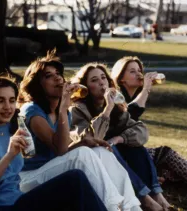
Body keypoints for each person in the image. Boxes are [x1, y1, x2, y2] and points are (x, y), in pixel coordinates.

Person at [0, 76, 107, 211]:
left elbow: (57, 149)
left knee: (75, 180)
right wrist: (9, 155)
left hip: (17, 199)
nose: (8, 107)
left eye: (12, 100)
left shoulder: (13, 125)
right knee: (75, 180)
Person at [18, 50, 141, 211]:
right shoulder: (32, 111)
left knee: (100, 151)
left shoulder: (62, 112)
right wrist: (64, 108)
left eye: (58, 74)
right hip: (29, 177)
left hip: (52, 168)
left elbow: (64, 151)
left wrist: (83, 142)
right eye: (48, 76)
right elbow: (60, 149)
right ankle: (113, 207)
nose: (57, 78)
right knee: (83, 154)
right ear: (37, 85)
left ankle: (132, 208)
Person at [70, 62, 169, 211]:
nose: (101, 82)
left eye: (103, 78)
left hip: (117, 154)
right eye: (94, 80)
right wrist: (107, 109)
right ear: (85, 88)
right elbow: (92, 138)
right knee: (109, 148)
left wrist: (120, 138)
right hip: (94, 160)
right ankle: (145, 200)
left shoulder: (117, 106)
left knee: (135, 146)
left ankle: (157, 195)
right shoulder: (77, 110)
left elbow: (140, 129)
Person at [112, 56, 187, 184]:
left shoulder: (134, 95)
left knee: (166, 168)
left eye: (139, 70)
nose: (139, 74)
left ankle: (160, 177)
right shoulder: (116, 97)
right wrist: (146, 88)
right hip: (119, 153)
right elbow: (129, 115)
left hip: (131, 150)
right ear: (121, 78)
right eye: (132, 71)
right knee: (166, 153)